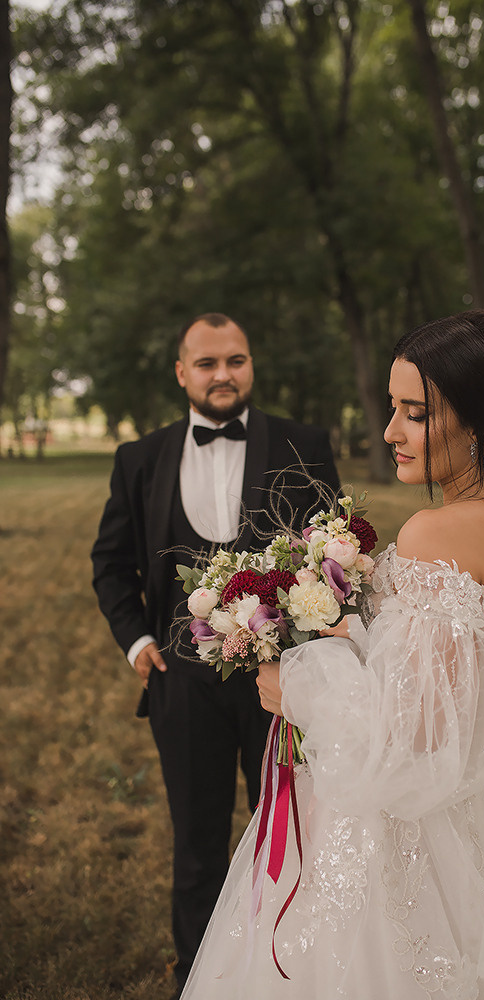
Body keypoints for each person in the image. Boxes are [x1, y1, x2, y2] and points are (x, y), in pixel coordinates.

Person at [180, 310, 484, 1000]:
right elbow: (459, 688)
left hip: (412, 844)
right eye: (392, 407)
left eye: (416, 414)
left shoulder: (436, 531)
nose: (389, 433)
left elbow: (415, 745)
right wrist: (355, 639)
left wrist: (300, 688)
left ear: (479, 426)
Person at [91, 312, 340, 996]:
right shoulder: (139, 459)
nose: (222, 374)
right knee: (197, 846)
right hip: (182, 687)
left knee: (289, 833)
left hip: (284, 683)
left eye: (235, 360)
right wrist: (139, 644)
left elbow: (331, 551)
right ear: (182, 373)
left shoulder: (303, 443)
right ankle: (196, 979)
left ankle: (289, 972)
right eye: (207, 363)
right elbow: (110, 564)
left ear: (250, 364)